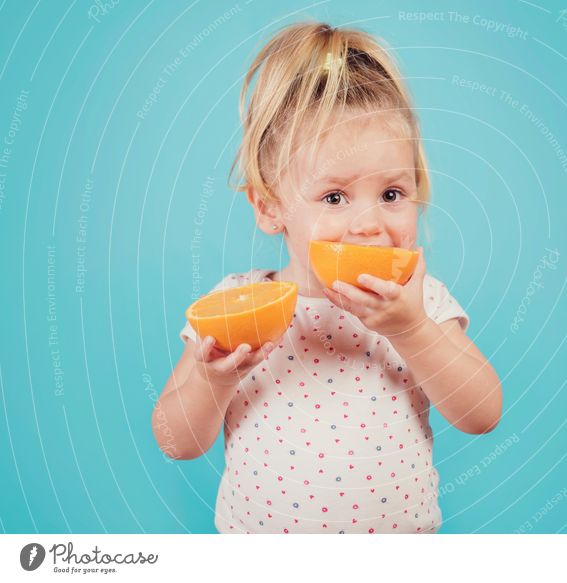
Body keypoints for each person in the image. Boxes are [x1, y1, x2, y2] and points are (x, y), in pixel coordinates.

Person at [152, 21, 503, 534]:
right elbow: (173, 440)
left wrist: (412, 330)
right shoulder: (235, 305)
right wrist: (212, 378)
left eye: (391, 194)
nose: (368, 223)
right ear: (270, 206)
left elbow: (483, 412)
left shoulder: (420, 303)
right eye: (334, 197)